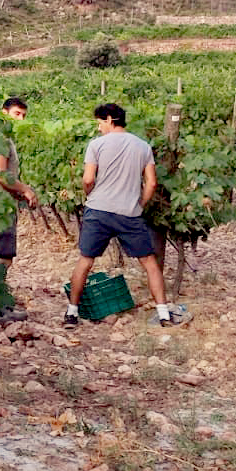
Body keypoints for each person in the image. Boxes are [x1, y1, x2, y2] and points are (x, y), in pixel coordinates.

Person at [63, 103, 176, 329]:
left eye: (99, 122)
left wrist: (91, 195)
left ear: (109, 119)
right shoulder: (143, 146)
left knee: (86, 261)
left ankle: (72, 313)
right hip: (129, 213)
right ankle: (163, 314)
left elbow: (87, 180)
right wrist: (139, 204)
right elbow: (151, 182)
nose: (98, 128)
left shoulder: (95, 145)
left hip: (99, 210)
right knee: (150, 263)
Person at [0, 96, 38, 325]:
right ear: (3, 113)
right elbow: (0, 173)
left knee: (5, 256)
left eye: (23, 115)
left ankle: (0, 305)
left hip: (2, 202)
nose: (21, 119)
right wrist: (26, 190)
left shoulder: (4, 137)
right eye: (16, 114)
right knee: (2, 257)